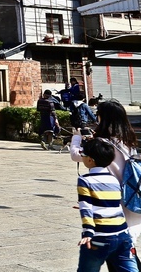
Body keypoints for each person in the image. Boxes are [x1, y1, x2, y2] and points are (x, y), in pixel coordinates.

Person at [71, 99, 141, 241]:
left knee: (122, 252)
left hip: (115, 199)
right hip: (134, 195)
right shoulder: (128, 139)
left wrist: (77, 137)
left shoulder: (102, 143)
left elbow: (77, 155)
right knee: (126, 248)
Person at [74, 136, 139, 272]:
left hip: (99, 236)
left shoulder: (85, 180)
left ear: (90, 160)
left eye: (83, 154)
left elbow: (86, 208)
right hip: (122, 234)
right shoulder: (114, 180)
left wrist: (88, 233)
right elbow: (112, 203)